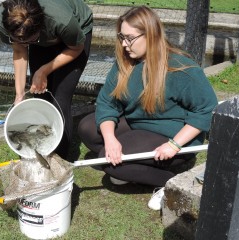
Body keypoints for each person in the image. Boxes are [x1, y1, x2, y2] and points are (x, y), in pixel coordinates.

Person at [77, 6, 218, 210]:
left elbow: (206, 109)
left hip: (173, 135)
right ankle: (134, 165)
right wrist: (110, 139)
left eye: (130, 38)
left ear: (150, 35)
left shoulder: (181, 68)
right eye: (121, 37)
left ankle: (171, 181)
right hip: (138, 124)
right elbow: (107, 103)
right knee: (87, 128)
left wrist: (174, 145)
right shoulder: (124, 64)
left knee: (107, 163)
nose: (124, 44)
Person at [0, 0, 93, 160]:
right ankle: (38, 150)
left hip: (75, 37)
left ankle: (60, 160)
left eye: (30, 41)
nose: (25, 44)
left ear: (40, 27)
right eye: (20, 40)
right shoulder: (3, 19)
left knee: (60, 100)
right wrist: (19, 95)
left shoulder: (62, 20)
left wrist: (44, 70)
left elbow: (76, 48)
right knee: (39, 96)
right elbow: (19, 51)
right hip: (38, 35)